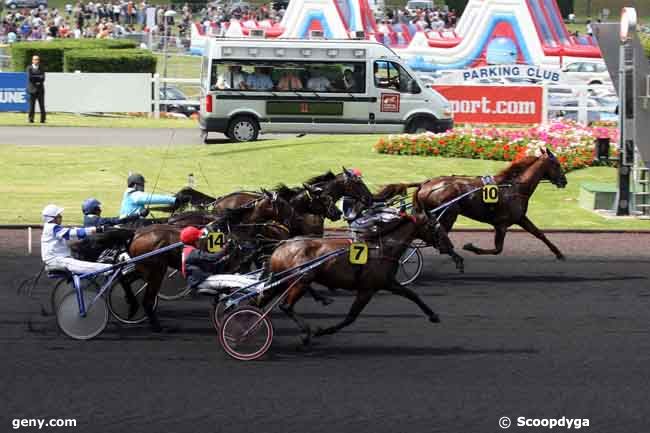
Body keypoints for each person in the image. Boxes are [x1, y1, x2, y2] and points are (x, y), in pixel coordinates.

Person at [40, 204, 112, 274]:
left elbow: (73, 232)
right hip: (56, 260)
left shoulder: (51, 227)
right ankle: (111, 268)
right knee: (88, 266)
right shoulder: (53, 228)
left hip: (58, 258)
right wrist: (97, 229)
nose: (61, 217)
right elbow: (72, 234)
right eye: (59, 216)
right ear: (53, 218)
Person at [180, 226, 253, 294]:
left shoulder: (188, 250)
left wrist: (223, 260)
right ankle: (261, 288)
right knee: (235, 280)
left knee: (238, 277)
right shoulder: (192, 252)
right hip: (201, 281)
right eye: (198, 239)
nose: (200, 240)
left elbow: (210, 266)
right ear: (194, 240)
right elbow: (213, 258)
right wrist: (225, 248)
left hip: (201, 279)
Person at [119, 173, 188, 218]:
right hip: (132, 224)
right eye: (142, 185)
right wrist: (174, 199)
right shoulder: (135, 195)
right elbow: (152, 198)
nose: (143, 188)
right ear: (135, 185)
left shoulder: (128, 193)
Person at [82, 197, 147, 227]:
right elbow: (119, 219)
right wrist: (139, 214)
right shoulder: (100, 222)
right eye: (98, 209)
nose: (100, 210)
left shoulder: (86, 221)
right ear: (94, 210)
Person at [27, 55, 46, 124]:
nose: (36, 61)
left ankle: (43, 120)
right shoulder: (29, 68)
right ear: (32, 60)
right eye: (35, 59)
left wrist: (36, 78)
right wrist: (38, 78)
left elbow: (43, 78)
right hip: (32, 90)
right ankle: (31, 119)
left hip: (40, 90)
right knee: (32, 106)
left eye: (37, 59)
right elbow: (30, 78)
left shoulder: (42, 68)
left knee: (42, 105)